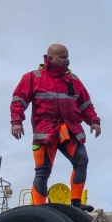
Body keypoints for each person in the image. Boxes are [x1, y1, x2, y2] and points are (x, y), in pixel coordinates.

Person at [10, 44, 101, 212]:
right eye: (62, 57)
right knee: (42, 171)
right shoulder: (33, 77)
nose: (67, 60)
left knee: (82, 160)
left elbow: (85, 104)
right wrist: (16, 122)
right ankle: (39, 208)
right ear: (50, 58)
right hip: (45, 131)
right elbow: (18, 100)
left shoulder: (73, 80)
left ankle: (76, 202)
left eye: (67, 56)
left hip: (69, 129)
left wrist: (94, 121)